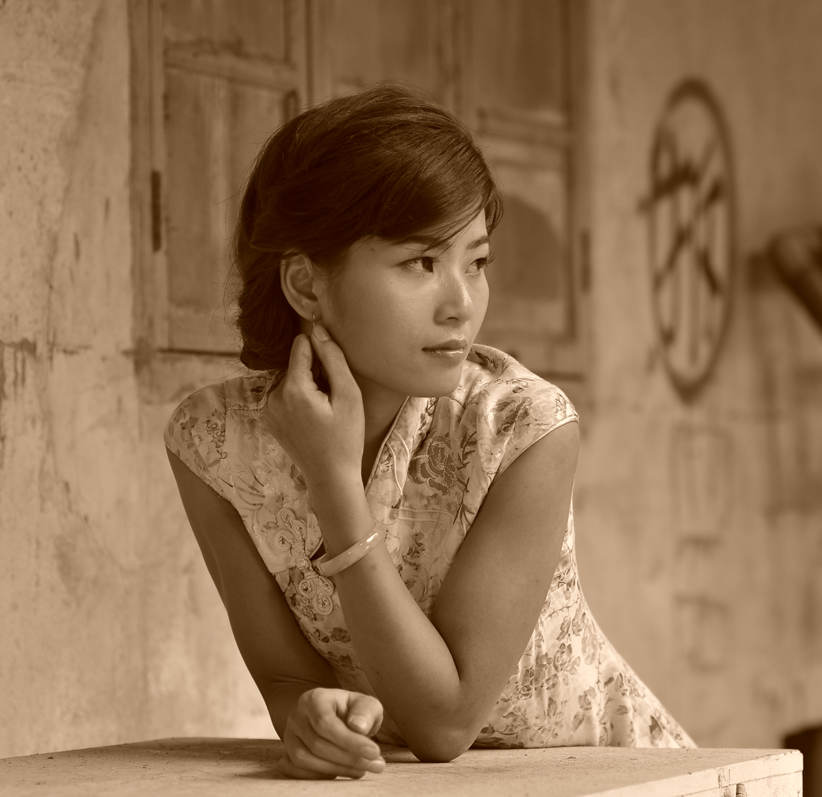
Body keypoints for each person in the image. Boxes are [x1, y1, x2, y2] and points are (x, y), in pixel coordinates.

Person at [163, 83, 694, 780]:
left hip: (608, 775)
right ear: (307, 285)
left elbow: (445, 722)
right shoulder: (214, 444)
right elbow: (287, 678)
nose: (462, 304)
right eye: (422, 263)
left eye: (477, 262)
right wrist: (311, 720)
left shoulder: (522, 427)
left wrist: (332, 480)